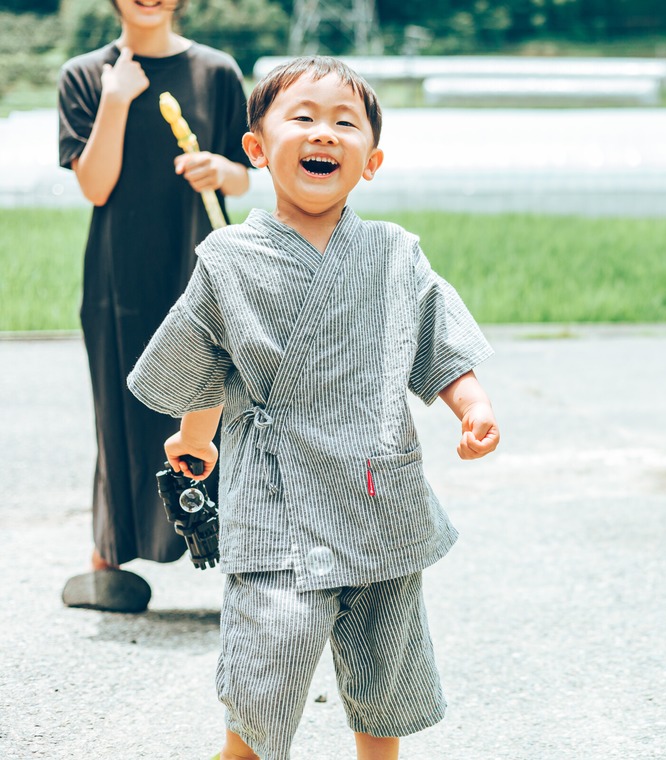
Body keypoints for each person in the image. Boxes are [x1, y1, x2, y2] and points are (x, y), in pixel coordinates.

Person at [127, 56, 500, 760]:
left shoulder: (395, 253)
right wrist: (197, 439)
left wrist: (472, 405)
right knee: (267, 665)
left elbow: (438, 339)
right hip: (276, 499)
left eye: (343, 122)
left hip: (376, 491)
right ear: (258, 149)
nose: (323, 132)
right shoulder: (227, 258)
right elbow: (211, 363)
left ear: (371, 160)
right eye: (302, 117)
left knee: (384, 674)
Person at [58, 0, 251, 612]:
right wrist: (117, 96)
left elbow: (247, 173)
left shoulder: (217, 71)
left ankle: (241, 553)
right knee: (120, 404)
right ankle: (111, 554)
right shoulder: (87, 76)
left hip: (201, 269)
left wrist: (219, 167)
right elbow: (95, 185)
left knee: (216, 408)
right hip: (120, 277)